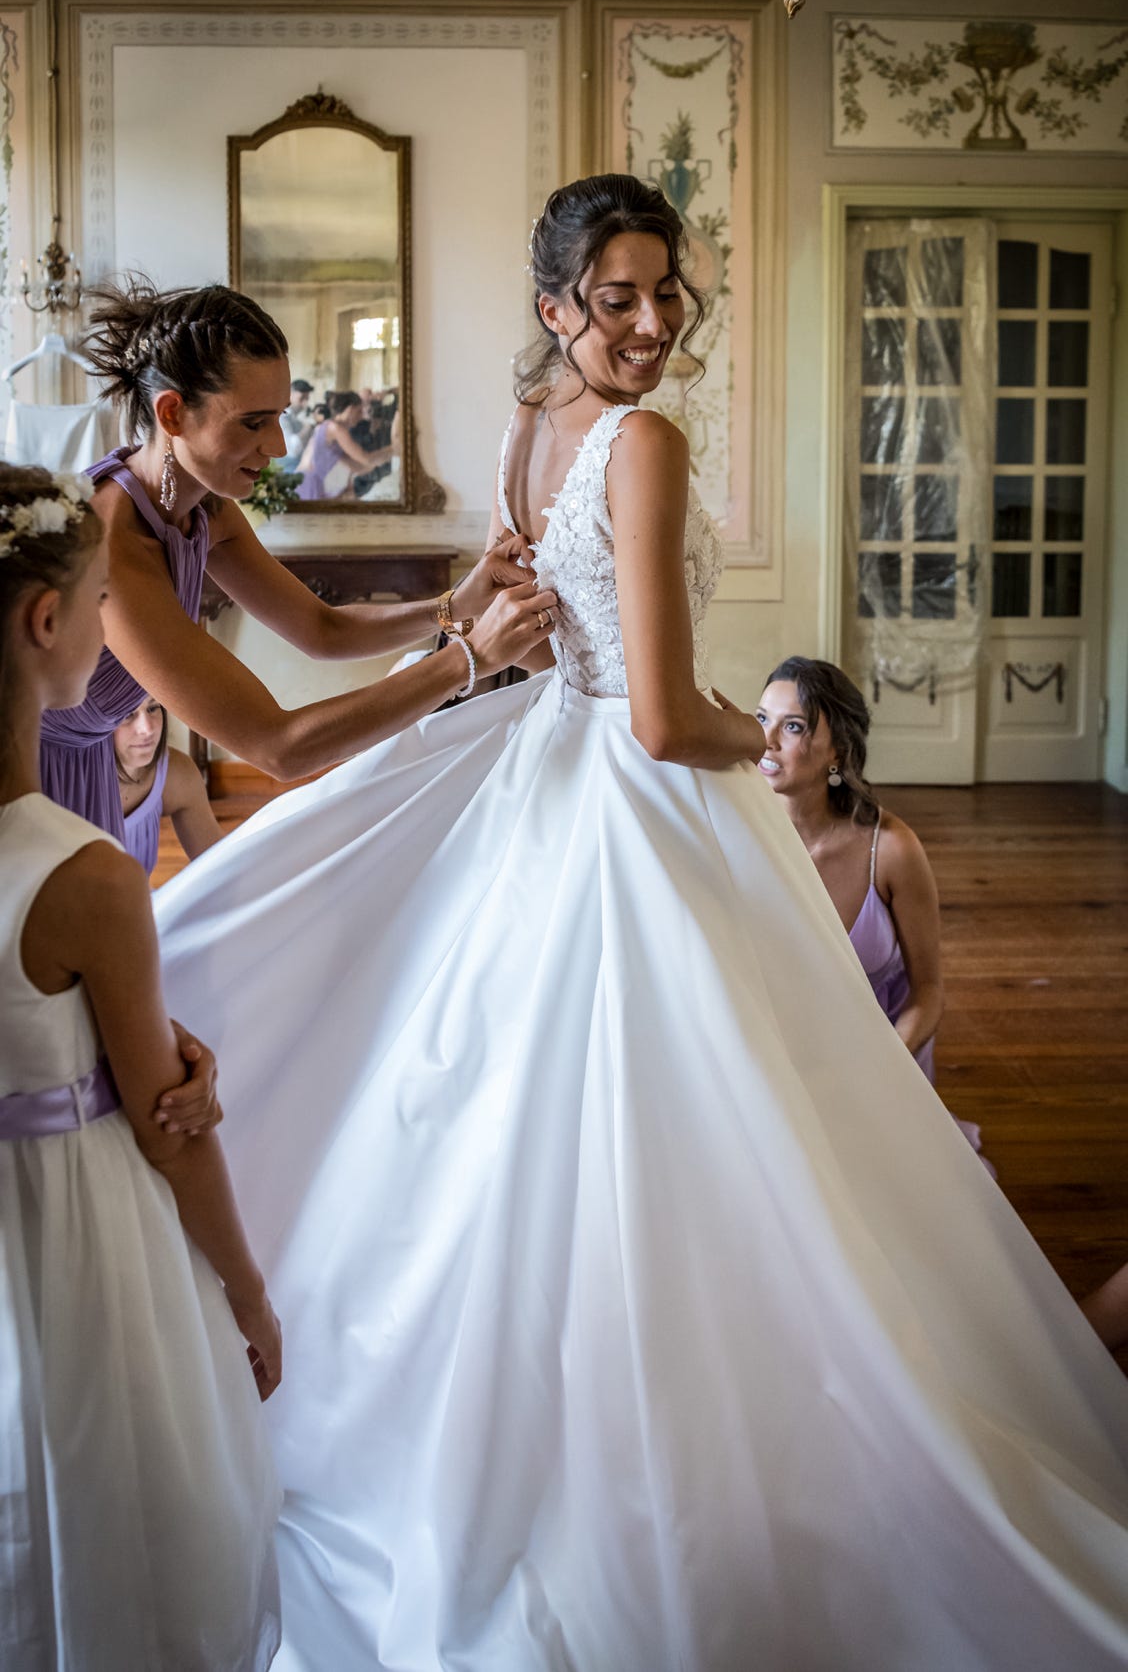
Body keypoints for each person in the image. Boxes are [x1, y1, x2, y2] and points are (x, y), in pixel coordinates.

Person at [154, 177, 1128, 1670]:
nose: (655, 321)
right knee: (719, 1122)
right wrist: (777, 745)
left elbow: (541, 630)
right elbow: (669, 720)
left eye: (669, 293)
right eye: (619, 298)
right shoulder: (648, 437)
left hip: (548, 775)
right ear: (559, 309)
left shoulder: (527, 431)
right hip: (641, 799)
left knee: (537, 1118)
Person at [0, 462, 281, 1668]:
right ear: (48, 623)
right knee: (122, 1521)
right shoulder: (84, 880)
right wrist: (247, 1293)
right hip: (68, 1247)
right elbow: (175, 1126)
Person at [40, 277, 555, 844]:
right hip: (30, 778)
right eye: (253, 421)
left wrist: (458, 603)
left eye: (281, 416)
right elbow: (279, 747)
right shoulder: (114, 548)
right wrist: (471, 655)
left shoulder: (204, 507)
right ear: (172, 414)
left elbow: (322, 628)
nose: (280, 446)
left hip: (90, 767)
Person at [756, 655, 994, 1172]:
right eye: (761, 719)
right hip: (781, 1056)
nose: (767, 741)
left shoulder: (890, 849)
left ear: (837, 752)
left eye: (792, 726)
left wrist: (882, 1065)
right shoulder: (739, 835)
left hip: (881, 1059)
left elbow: (929, 990)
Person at [115, 695, 222, 876]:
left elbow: (219, 864)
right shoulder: (66, 783)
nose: (147, 729)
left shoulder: (175, 772)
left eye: (152, 708)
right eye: (127, 714)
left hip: (142, 903)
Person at [295, 388, 391, 500]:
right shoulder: (335, 428)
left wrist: (384, 458)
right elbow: (366, 459)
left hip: (313, 485)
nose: (361, 417)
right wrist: (393, 449)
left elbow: (356, 467)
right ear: (350, 410)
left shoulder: (329, 429)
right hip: (309, 486)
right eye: (359, 411)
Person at [277, 376, 314, 471]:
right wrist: (308, 427)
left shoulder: (295, 420)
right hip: (283, 472)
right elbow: (292, 451)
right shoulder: (281, 417)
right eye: (301, 399)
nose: (305, 404)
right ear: (289, 395)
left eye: (307, 399)